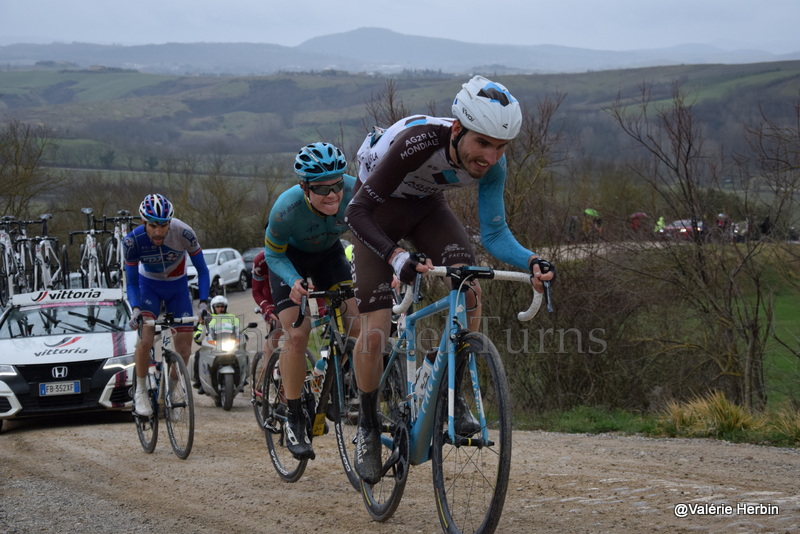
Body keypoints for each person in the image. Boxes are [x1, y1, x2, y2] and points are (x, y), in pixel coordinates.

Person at [345, 75, 555, 483]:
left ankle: (449, 395)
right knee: (374, 330)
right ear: (457, 130)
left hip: (426, 209)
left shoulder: (493, 165)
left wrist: (532, 260)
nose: (490, 157)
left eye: (501, 147)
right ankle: (368, 427)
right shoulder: (418, 142)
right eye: (483, 143)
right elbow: (356, 213)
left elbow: (494, 233)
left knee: (470, 288)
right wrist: (396, 255)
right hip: (376, 213)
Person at [264, 141, 362, 460]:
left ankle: (338, 378)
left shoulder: (354, 190)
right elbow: (272, 253)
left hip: (329, 256)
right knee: (297, 332)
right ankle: (293, 417)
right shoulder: (285, 209)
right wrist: (293, 280)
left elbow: (372, 230)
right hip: (289, 261)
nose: (333, 194)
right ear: (305, 187)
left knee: (358, 325)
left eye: (337, 183)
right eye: (323, 188)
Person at [125, 193, 210, 417]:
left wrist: (203, 302)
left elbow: (202, 270)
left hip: (177, 287)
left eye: (164, 225)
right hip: (148, 288)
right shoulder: (133, 241)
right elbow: (131, 282)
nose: (159, 231)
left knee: (184, 350)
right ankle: (141, 391)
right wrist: (135, 309)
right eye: (153, 225)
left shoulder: (184, 232)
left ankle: (172, 392)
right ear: (144, 223)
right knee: (145, 338)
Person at [192, 295, 241, 392]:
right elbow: (199, 330)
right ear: (213, 307)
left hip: (229, 343)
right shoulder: (207, 318)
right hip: (212, 345)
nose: (220, 308)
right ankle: (200, 382)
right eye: (218, 306)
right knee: (198, 354)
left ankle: (241, 380)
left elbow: (240, 330)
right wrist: (198, 336)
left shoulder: (233, 318)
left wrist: (243, 335)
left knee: (241, 355)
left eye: (222, 306)